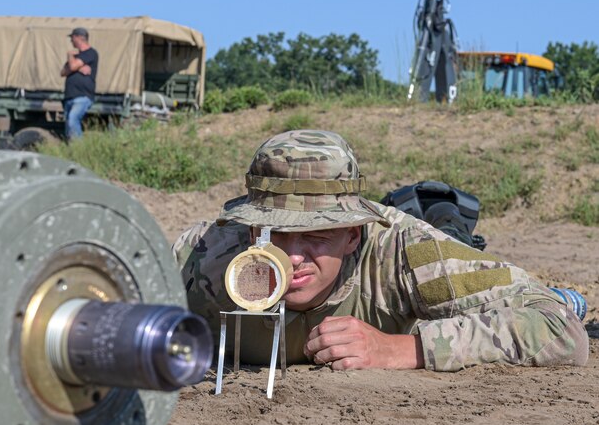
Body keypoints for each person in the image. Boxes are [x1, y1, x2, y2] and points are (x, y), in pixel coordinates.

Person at [173, 130, 589, 372]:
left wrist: (400, 349)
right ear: (250, 229)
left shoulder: (406, 253)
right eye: (273, 234)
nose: (292, 257)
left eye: (315, 236)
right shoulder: (204, 255)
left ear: (353, 234)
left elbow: (559, 328)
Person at [60, 27, 99, 140]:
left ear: (79, 37)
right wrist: (79, 67)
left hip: (82, 96)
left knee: (73, 119)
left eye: (72, 38)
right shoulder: (76, 56)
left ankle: (79, 149)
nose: (71, 41)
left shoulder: (91, 53)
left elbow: (71, 66)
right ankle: (71, 152)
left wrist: (70, 56)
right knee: (68, 128)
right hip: (69, 97)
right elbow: (62, 72)